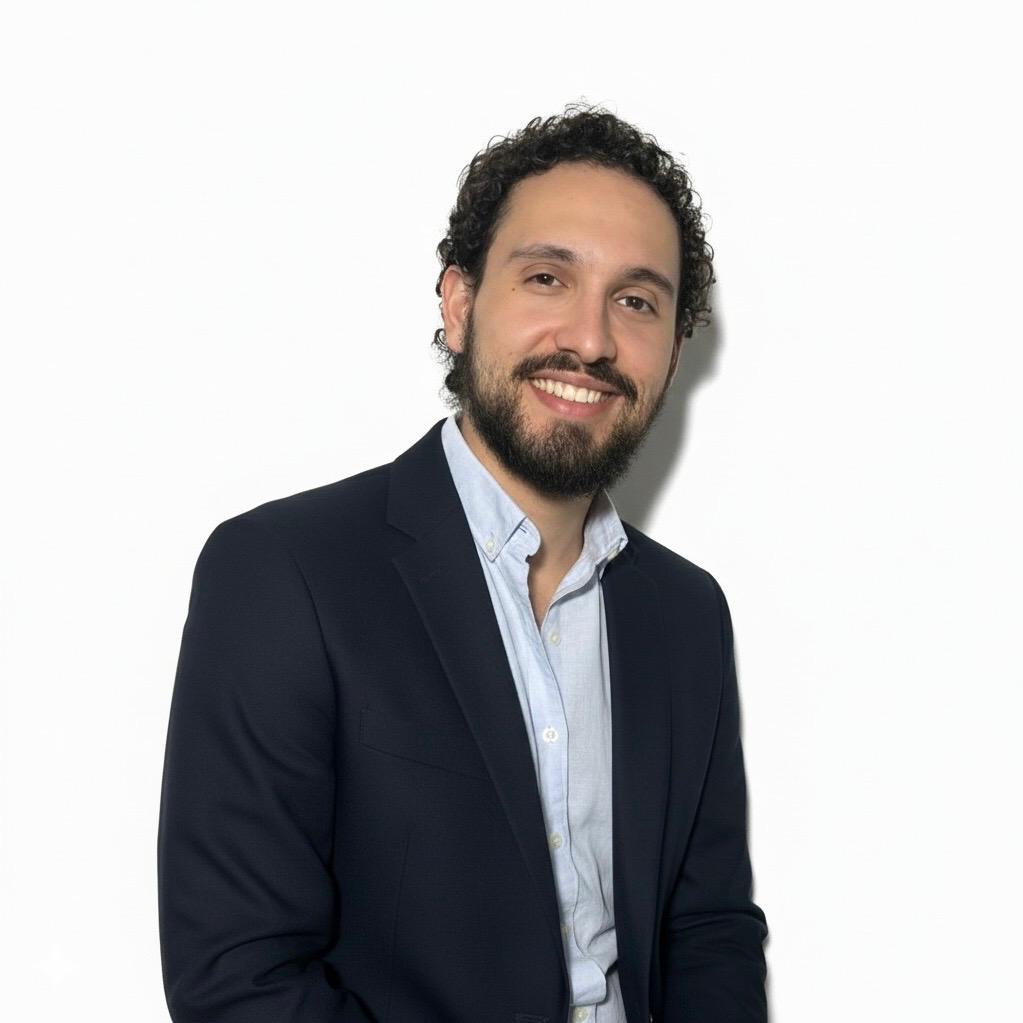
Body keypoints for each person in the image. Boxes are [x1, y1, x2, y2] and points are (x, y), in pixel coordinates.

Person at [157, 103, 769, 1023]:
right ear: (459, 304)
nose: (591, 339)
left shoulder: (685, 613)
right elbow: (240, 977)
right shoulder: (286, 574)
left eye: (636, 301)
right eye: (547, 278)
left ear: (675, 349)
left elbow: (708, 927)